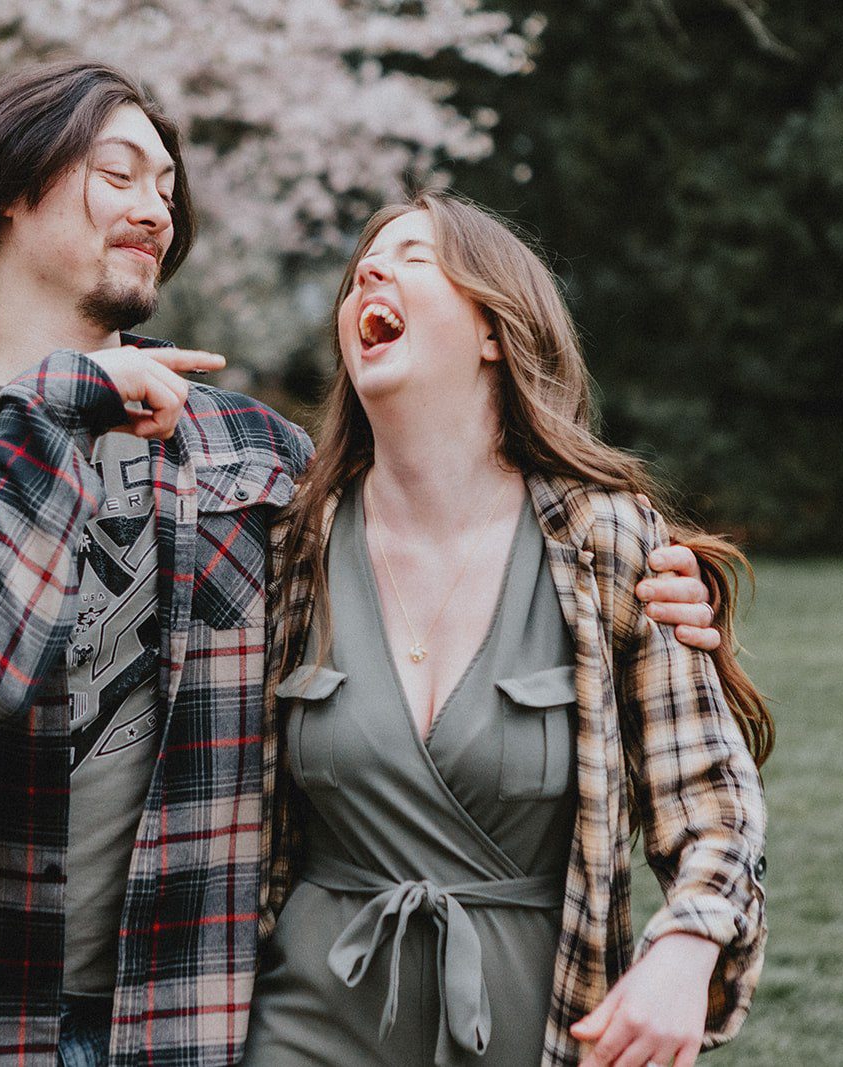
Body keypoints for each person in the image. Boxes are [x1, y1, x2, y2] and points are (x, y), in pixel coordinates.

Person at [0, 61, 723, 1067]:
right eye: (118, 174)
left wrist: (653, 593)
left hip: (176, 1019)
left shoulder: (247, 452)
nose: (156, 208)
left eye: (166, 185)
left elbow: (423, 553)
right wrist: (57, 405)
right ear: (7, 190)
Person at [243, 191, 773, 1067]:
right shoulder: (289, 546)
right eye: (362, 267)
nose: (369, 272)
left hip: (536, 1028)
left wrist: (689, 945)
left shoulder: (607, 542)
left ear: (496, 328)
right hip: (304, 1030)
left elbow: (712, 801)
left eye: (413, 258)